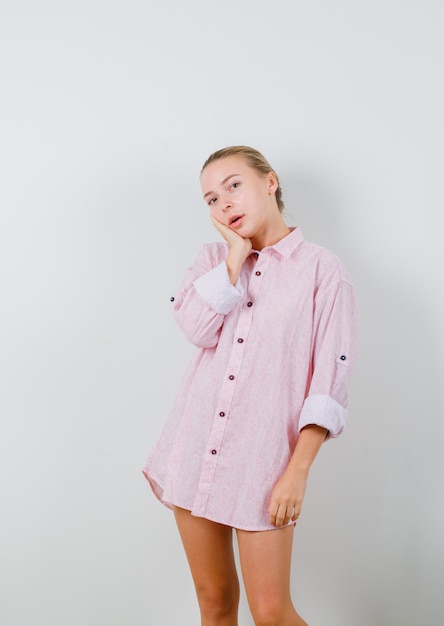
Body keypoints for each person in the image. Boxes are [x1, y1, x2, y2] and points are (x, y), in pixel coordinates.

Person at [143, 145, 359, 626]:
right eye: (211, 200)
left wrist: (297, 470)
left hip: (265, 463)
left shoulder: (323, 271)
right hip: (196, 449)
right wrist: (236, 258)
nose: (224, 205)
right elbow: (197, 330)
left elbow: (328, 382)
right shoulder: (212, 260)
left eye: (233, 186)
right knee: (215, 603)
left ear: (270, 182)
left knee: (271, 612)